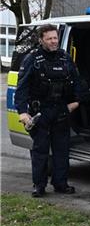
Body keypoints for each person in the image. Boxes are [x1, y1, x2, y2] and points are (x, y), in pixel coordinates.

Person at [15, 24, 82, 197]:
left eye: (55, 38)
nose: (53, 41)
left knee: (62, 151)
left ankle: (61, 184)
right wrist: (22, 112)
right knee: (40, 151)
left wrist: (75, 102)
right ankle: (39, 186)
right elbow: (21, 88)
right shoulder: (32, 59)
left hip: (61, 110)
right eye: (49, 38)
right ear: (41, 40)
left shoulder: (65, 58)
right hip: (40, 112)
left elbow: (76, 82)